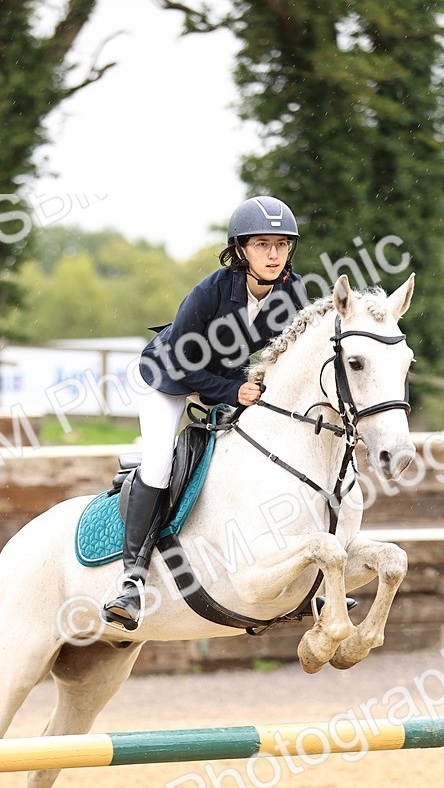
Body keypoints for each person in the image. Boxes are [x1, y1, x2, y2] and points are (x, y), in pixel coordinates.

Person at [102, 195, 308, 631]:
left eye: (281, 245)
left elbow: (291, 353)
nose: (273, 254)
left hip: (227, 380)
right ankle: (131, 579)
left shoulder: (293, 292)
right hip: (167, 376)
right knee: (158, 464)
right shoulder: (211, 291)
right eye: (262, 244)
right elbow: (181, 361)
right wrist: (234, 392)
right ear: (240, 250)